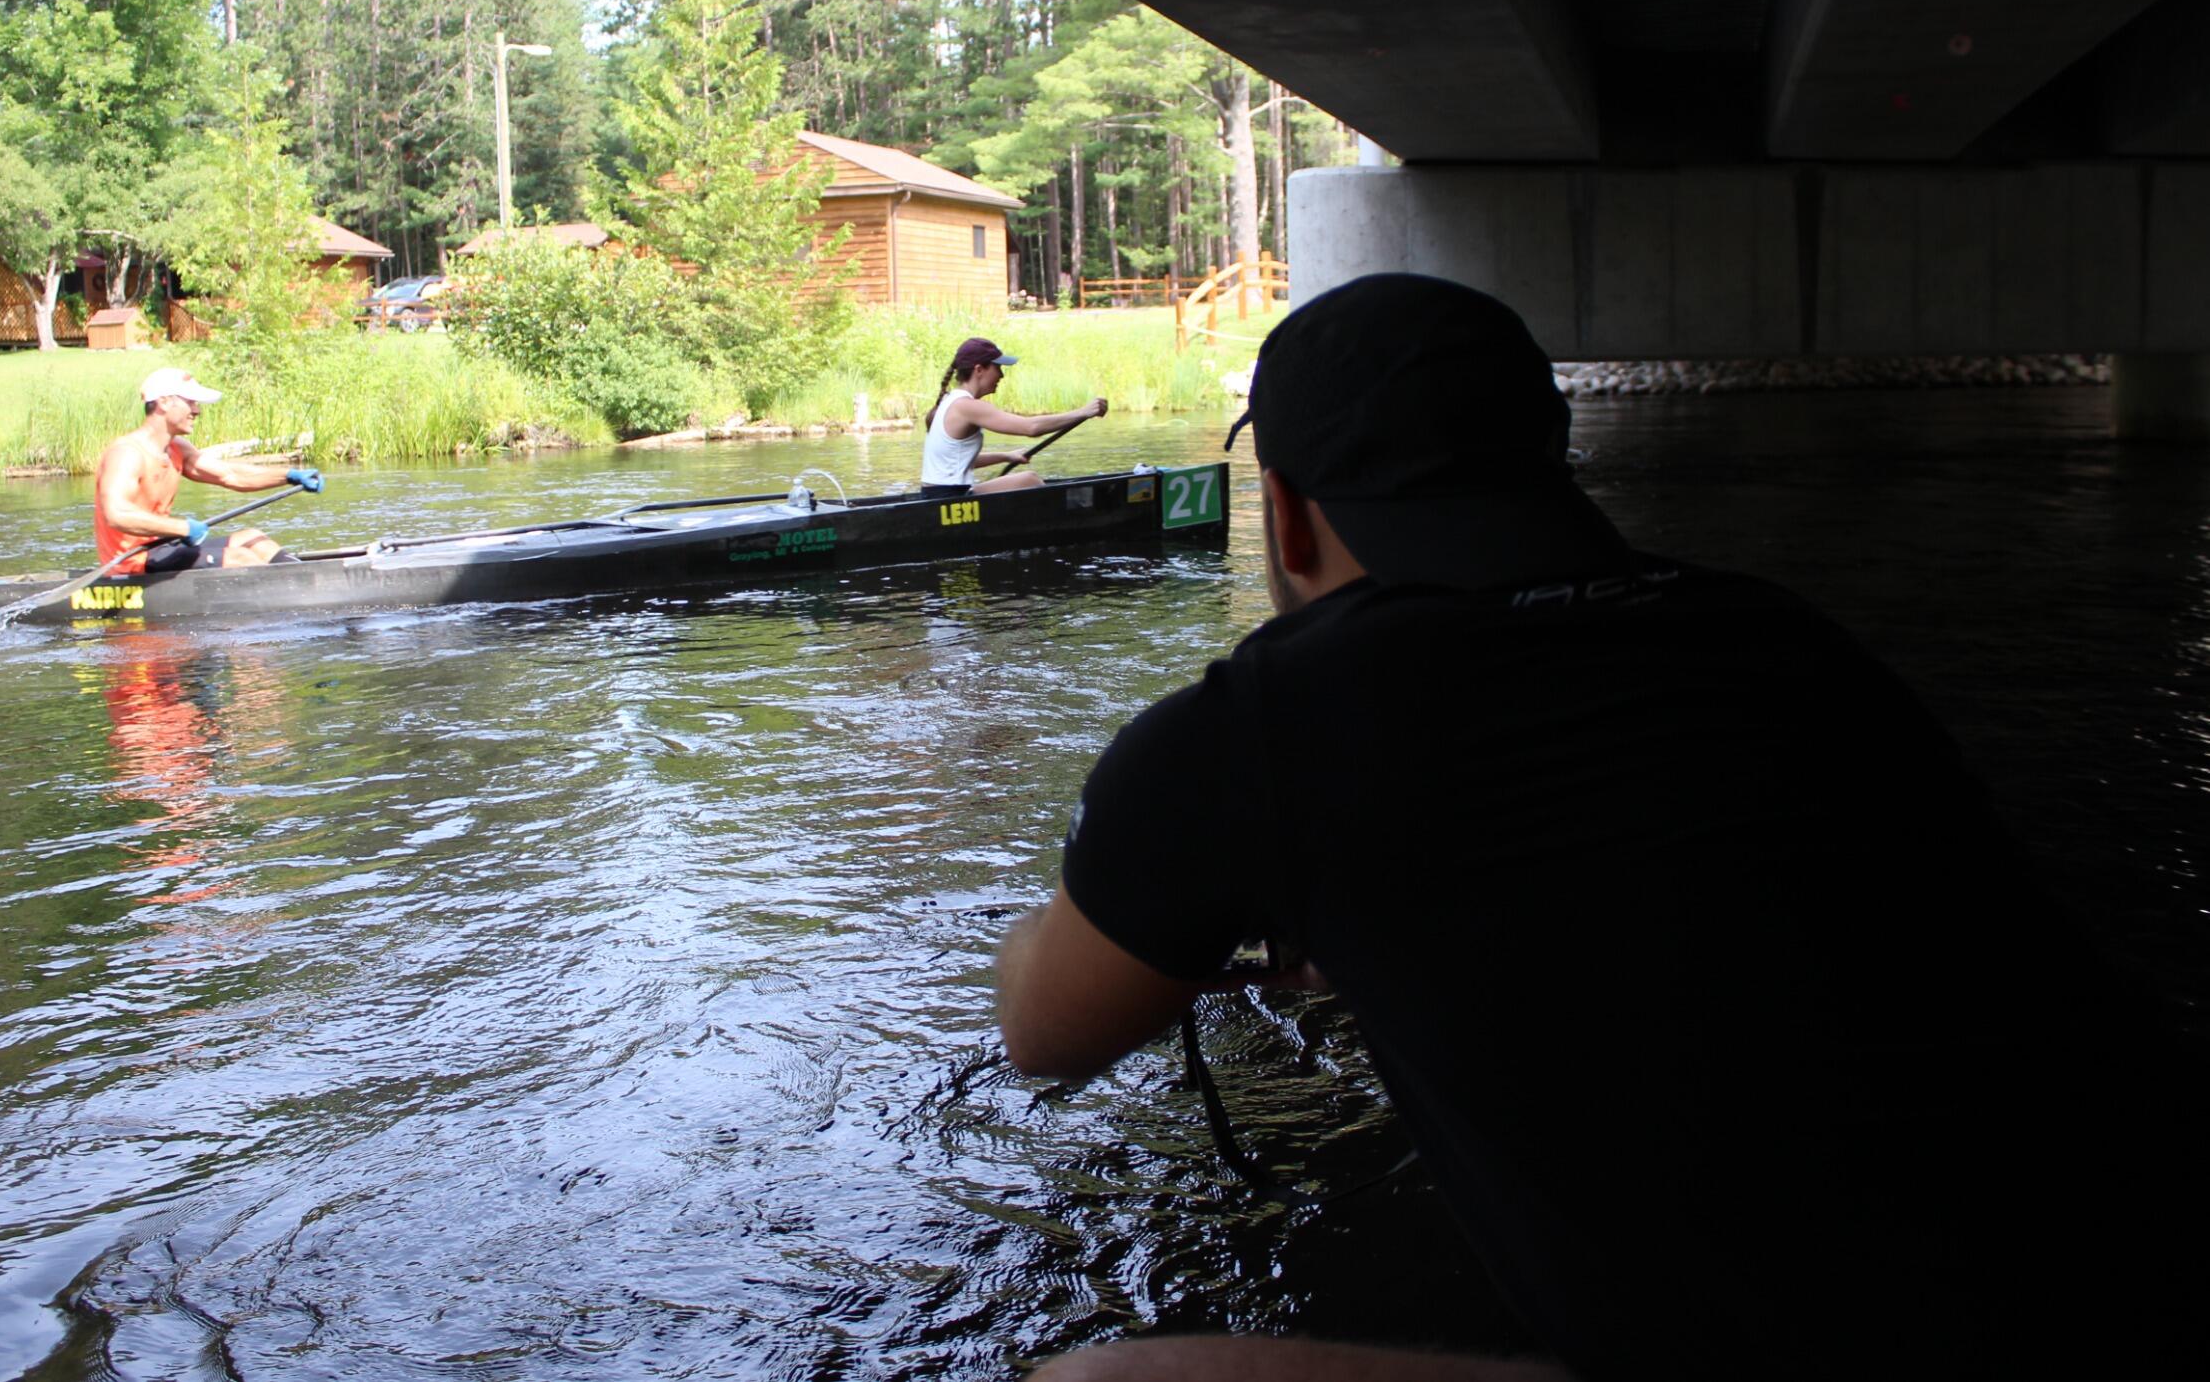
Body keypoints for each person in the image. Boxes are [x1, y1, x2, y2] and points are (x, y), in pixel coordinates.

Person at [995, 274, 2204, 1381]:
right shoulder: (1788, 640)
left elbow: (1045, 1030)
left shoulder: (1263, 724)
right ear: (1552, 461)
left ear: (1286, 514)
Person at [94, 367, 323, 573]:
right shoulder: (127, 453)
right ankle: (293, 591)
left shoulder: (177, 449)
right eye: (190, 402)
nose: (197, 411)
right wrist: (182, 528)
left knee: (254, 540)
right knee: (240, 559)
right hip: (132, 560)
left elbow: (231, 475)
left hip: (164, 546)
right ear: (164, 402)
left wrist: (289, 476)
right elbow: (117, 514)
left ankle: (307, 580)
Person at [920, 336, 1106, 495]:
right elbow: (1031, 428)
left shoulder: (949, 401)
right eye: (997, 368)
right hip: (951, 497)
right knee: (1030, 480)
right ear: (979, 370)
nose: (1001, 375)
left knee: (1026, 480)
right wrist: (1083, 412)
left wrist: (1007, 456)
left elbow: (959, 461)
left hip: (938, 495)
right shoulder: (967, 406)